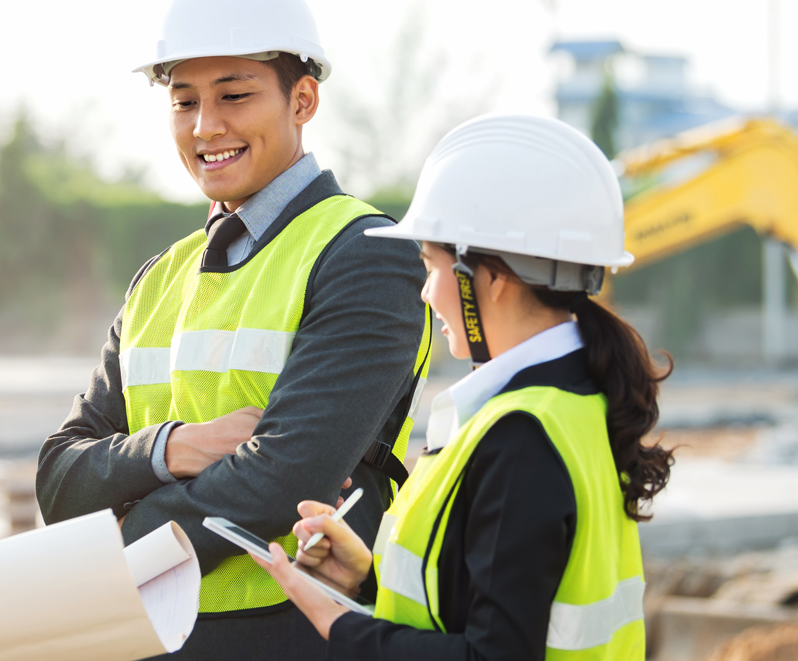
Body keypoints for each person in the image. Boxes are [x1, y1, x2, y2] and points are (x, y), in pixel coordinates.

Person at [35, 0, 435, 657]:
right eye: (183, 101)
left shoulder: (365, 252)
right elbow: (58, 480)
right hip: (145, 637)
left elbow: (284, 479)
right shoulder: (158, 276)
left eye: (235, 95)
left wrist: (112, 542)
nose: (205, 126)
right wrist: (171, 446)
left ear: (302, 100)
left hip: (291, 635)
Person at [249, 114, 674, 660]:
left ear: (490, 277)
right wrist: (366, 581)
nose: (426, 292)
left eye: (431, 265)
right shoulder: (575, 404)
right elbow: (494, 611)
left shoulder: (521, 436)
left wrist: (339, 625)